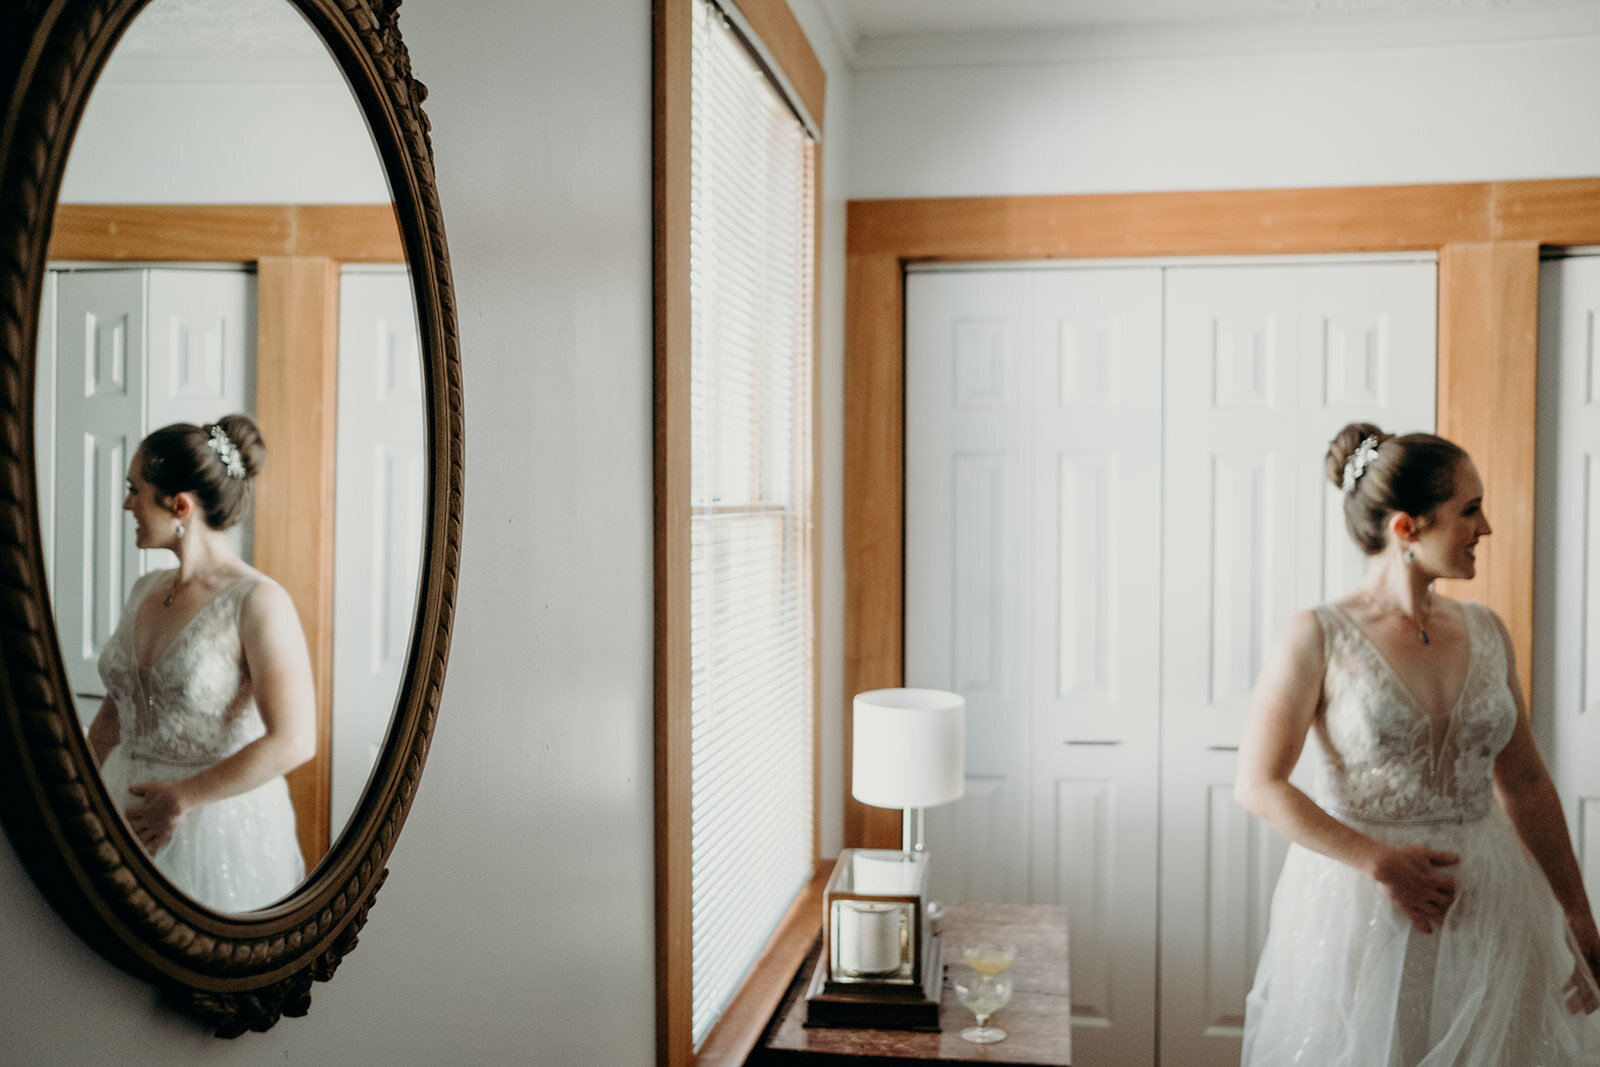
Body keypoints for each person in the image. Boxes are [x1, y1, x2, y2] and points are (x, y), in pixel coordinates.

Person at [1235, 423, 1600, 1065]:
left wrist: (1576, 910)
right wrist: (1377, 860)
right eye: (1469, 510)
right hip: (1360, 909)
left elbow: (1526, 785)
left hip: (1491, 902)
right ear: (1407, 529)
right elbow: (1258, 784)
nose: (1485, 527)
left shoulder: (1486, 630)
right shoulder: (1317, 635)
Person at [87, 415, 315, 912]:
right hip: (117, 813)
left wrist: (184, 797)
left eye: (135, 490)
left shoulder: (257, 602)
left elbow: (295, 740)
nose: (127, 504)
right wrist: (78, 796)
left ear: (180, 505)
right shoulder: (142, 591)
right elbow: (114, 714)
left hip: (215, 827)